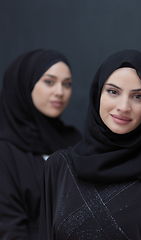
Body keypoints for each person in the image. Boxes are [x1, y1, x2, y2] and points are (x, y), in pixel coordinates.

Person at [39, 49, 141, 240]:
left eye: (138, 96)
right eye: (113, 92)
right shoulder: (59, 167)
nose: (124, 107)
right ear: (97, 94)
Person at [0, 49, 82, 239]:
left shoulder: (75, 142)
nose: (60, 92)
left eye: (67, 84)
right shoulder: (5, 151)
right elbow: (9, 229)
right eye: (49, 82)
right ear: (25, 85)